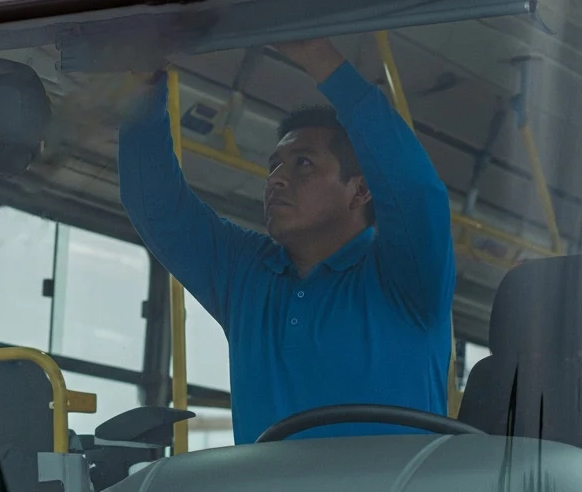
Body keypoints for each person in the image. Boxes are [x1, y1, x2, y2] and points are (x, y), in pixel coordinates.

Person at [117, 38, 455, 444]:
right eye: (274, 165)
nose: (275, 178)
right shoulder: (246, 276)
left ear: (360, 191)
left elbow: (415, 190)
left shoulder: (406, 279)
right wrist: (145, 85)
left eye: (304, 164)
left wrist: (319, 57)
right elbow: (155, 206)